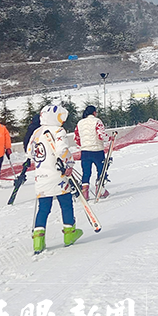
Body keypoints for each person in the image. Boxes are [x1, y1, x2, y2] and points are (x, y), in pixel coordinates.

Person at [28, 105, 83, 254]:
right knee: (66, 204)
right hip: (58, 175)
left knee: (43, 209)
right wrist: (69, 162)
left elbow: (29, 152)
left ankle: (38, 242)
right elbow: (62, 150)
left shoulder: (36, 132)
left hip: (41, 177)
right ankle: (69, 234)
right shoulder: (58, 131)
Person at [75, 105, 112, 200]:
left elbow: (76, 138)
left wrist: (82, 145)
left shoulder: (80, 123)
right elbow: (101, 135)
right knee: (101, 170)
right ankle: (99, 189)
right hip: (97, 150)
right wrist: (109, 138)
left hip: (85, 151)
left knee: (86, 172)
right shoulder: (97, 121)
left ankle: (85, 193)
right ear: (94, 113)